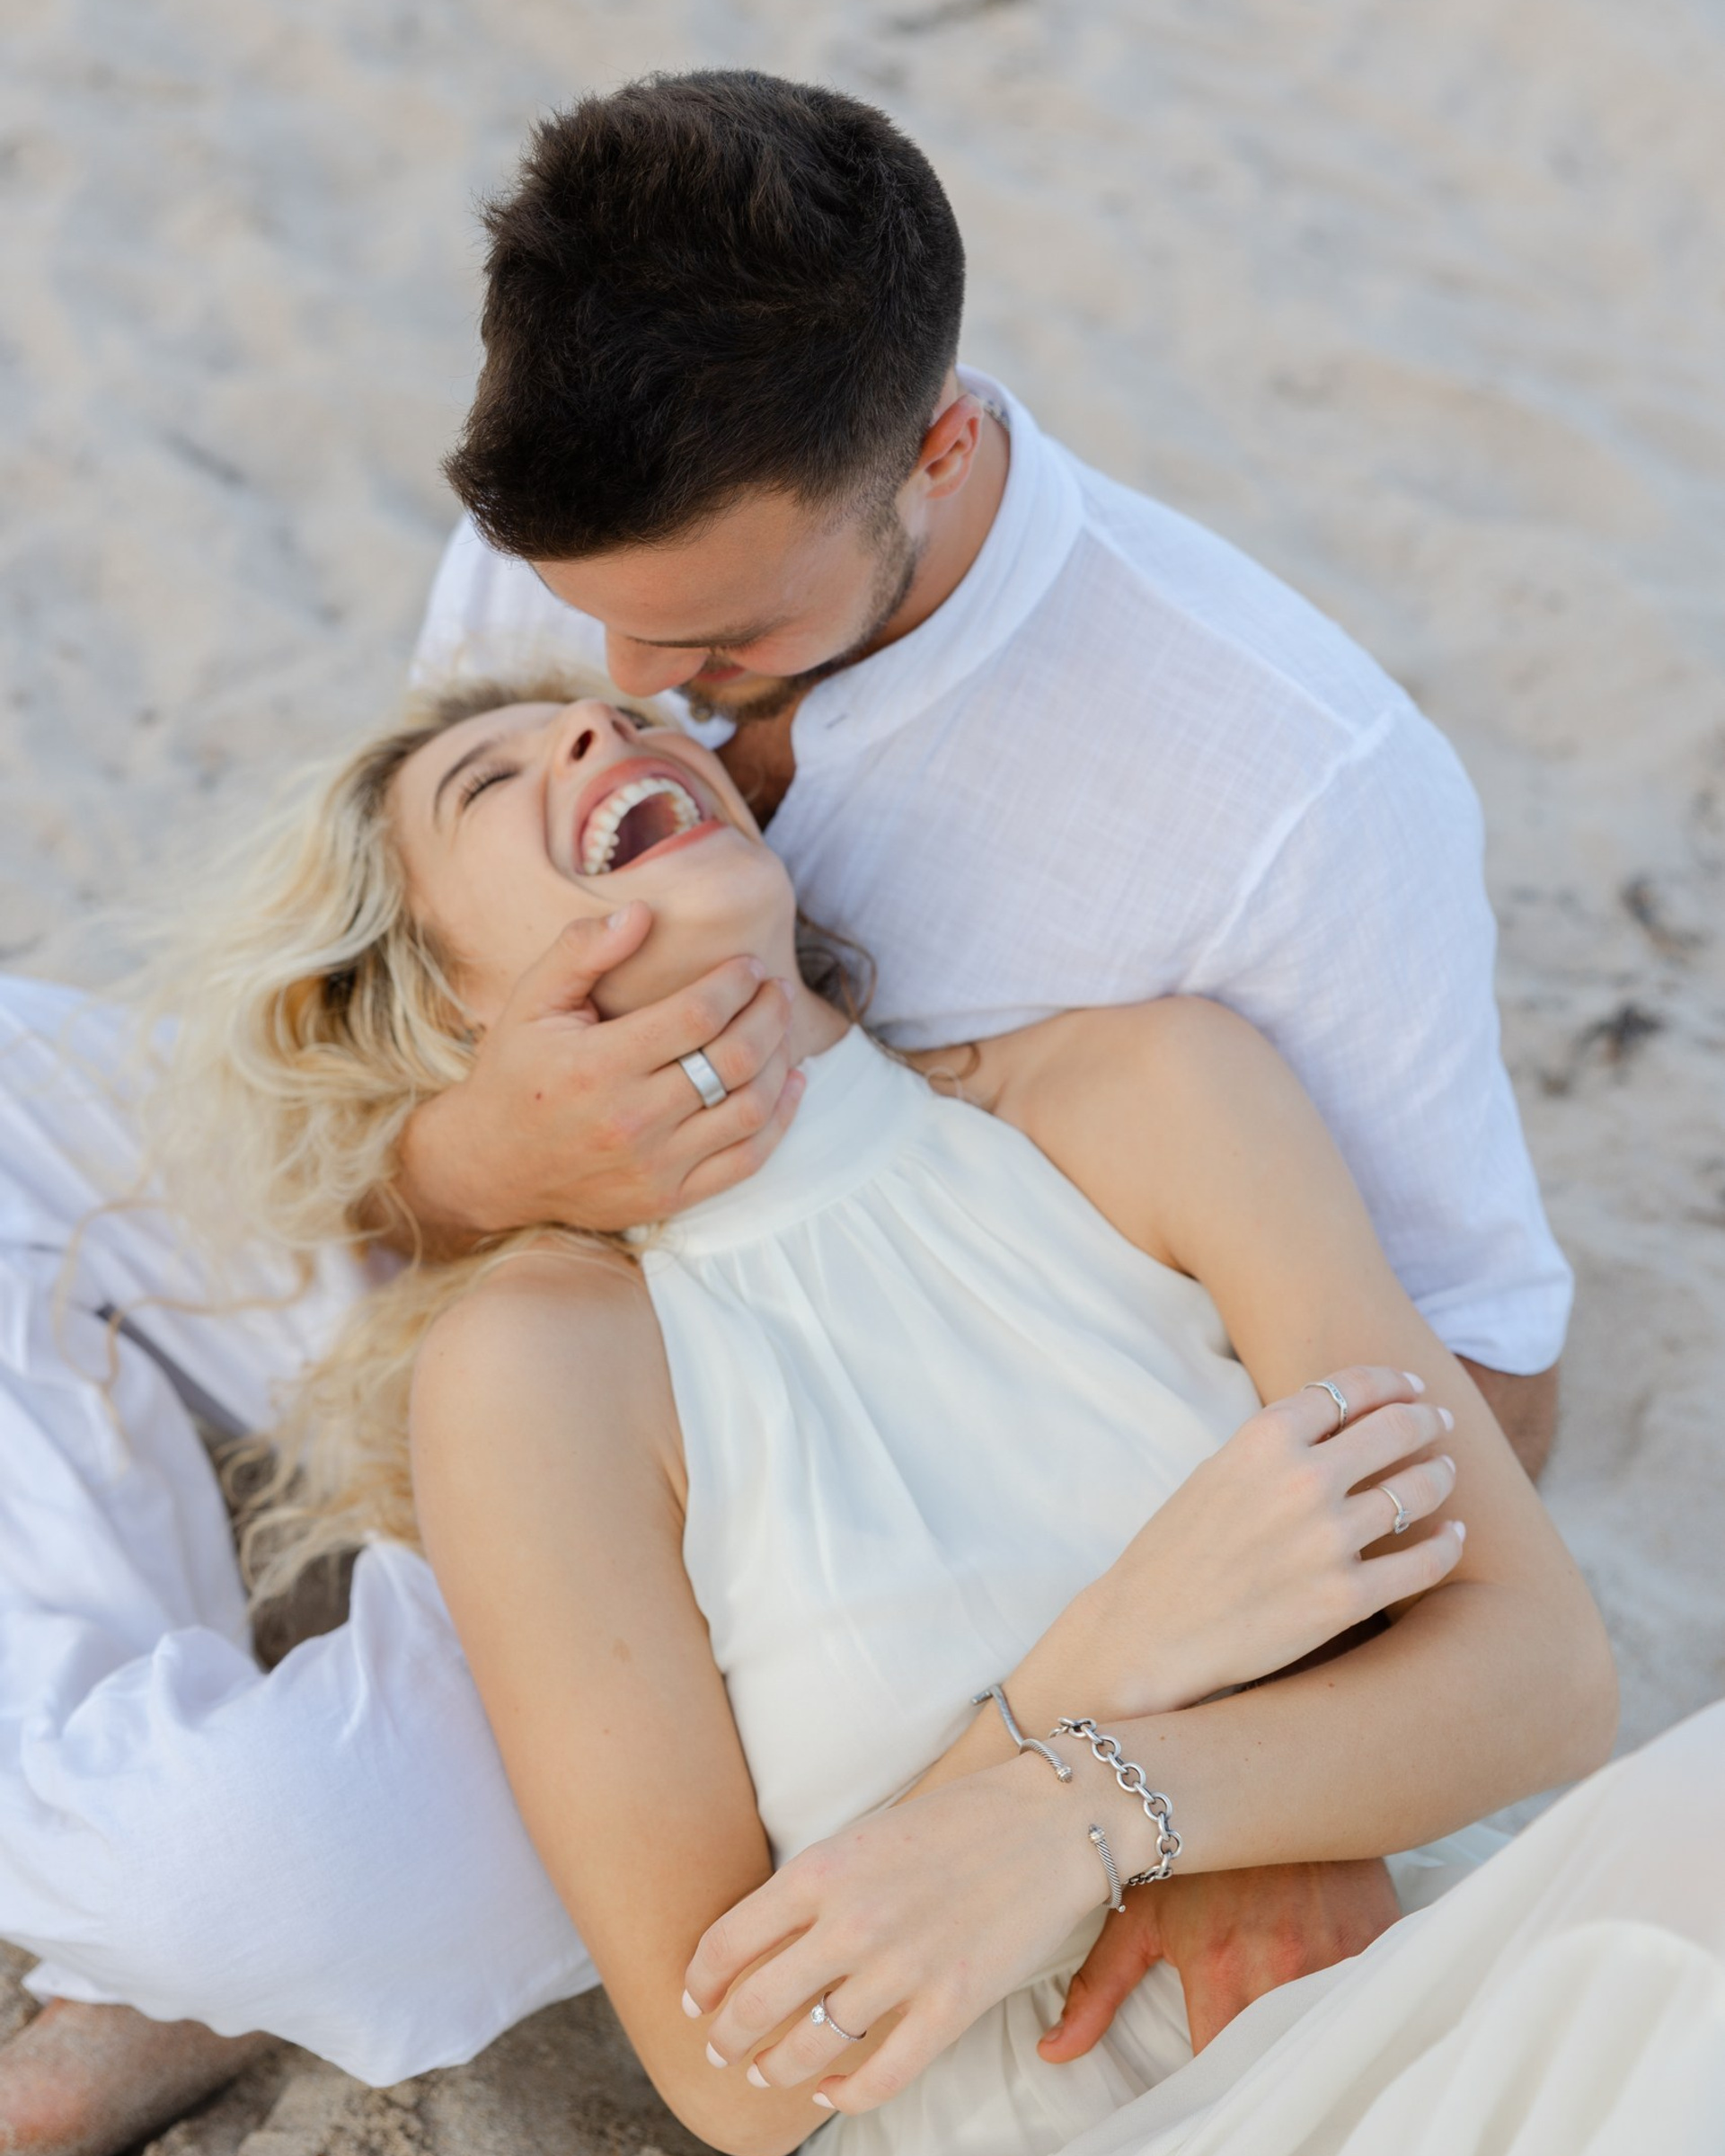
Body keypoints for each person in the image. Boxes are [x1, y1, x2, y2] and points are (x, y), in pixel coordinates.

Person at [0, 66, 1579, 2151]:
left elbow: (1485, 1398)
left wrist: (1249, 1768)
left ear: (932, 449)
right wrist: (477, 1165)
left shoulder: (1289, 792)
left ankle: (207, 1954)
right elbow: (405, 979)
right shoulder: (611, 591)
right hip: (551, 1325)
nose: (629, 697)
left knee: (266, 1874)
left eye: (720, 638)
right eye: (581, 634)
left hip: (943, 1494)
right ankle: (125, 1832)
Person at [33, 682, 1723, 2156]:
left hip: (1454, 1974)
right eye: (487, 784)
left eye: (630, 723)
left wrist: (1103, 1802)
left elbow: (1546, 1677)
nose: (596, 731)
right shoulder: (547, 1368)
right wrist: (1114, 1663)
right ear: (448, 1001)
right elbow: (734, 2075)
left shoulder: (1150, 1095)